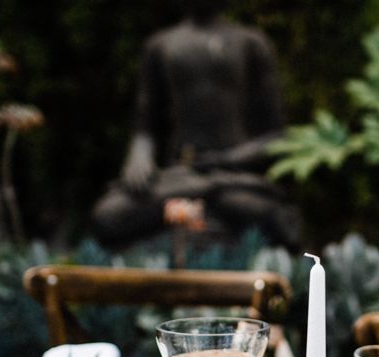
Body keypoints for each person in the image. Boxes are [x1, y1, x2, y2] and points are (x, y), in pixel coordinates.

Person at [92, 0, 300, 247]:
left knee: (271, 217)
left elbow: (278, 137)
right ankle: (198, 195)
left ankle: (200, 194)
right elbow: (145, 127)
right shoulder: (161, 45)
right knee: (109, 215)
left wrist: (229, 161)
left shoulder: (250, 43)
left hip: (233, 179)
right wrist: (139, 158)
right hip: (181, 175)